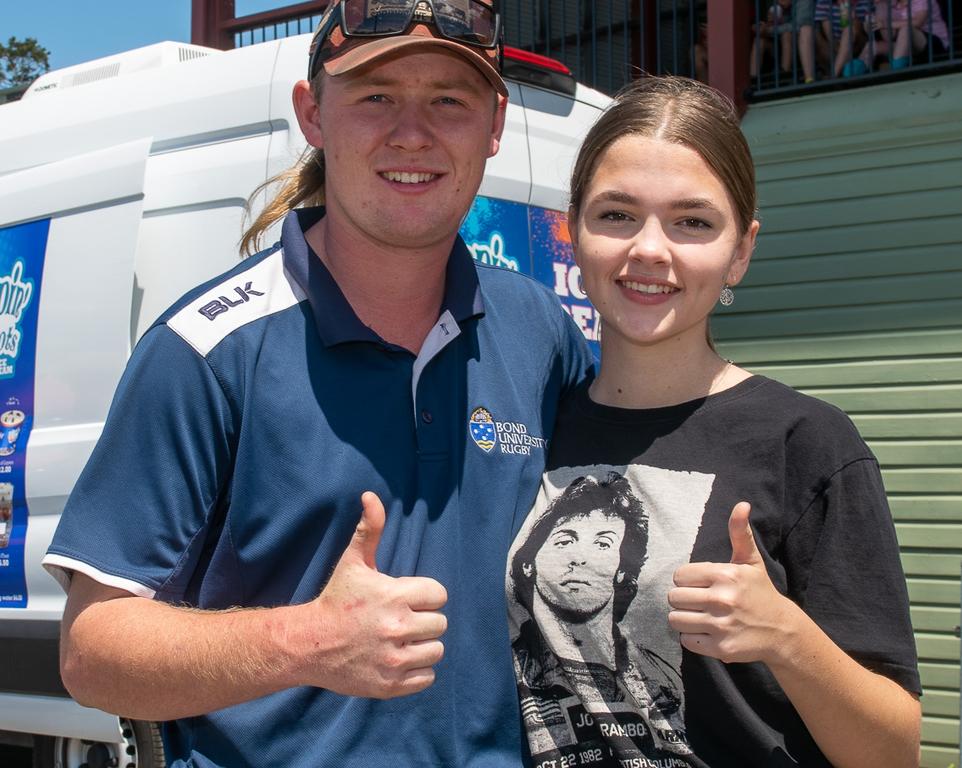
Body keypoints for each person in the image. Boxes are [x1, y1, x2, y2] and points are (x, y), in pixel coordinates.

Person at [43, 1, 592, 766]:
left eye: (449, 100)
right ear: (312, 114)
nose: (413, 132)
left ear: (494, 125)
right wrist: (308, 642)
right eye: (375, 97)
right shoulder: (206, 350)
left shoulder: (541, 330)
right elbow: (92, 654)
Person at [507, 76, 922, 768]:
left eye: (692, 222)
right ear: (571, 227)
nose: (649, 250)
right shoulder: (531, 429)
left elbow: (894, 750)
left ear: (741, 251)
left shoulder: (808, 444)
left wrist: (787, 637)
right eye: (617, 214)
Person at [509, 473, 687, 757]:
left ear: (622, 570)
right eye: (565, 540)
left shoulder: (660, 681)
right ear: (530, 563)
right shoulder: (510, 671)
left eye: (603, 544)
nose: (580, 558)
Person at [849, 0, 950, 74]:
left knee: (906, 29)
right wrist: (881, 8)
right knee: (873, 46)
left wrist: (884, 24)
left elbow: (918, 22)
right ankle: (852, 74)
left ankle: (897, 72)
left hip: (933, 43)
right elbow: (888, 37)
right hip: (907, 47)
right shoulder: (892, 4)